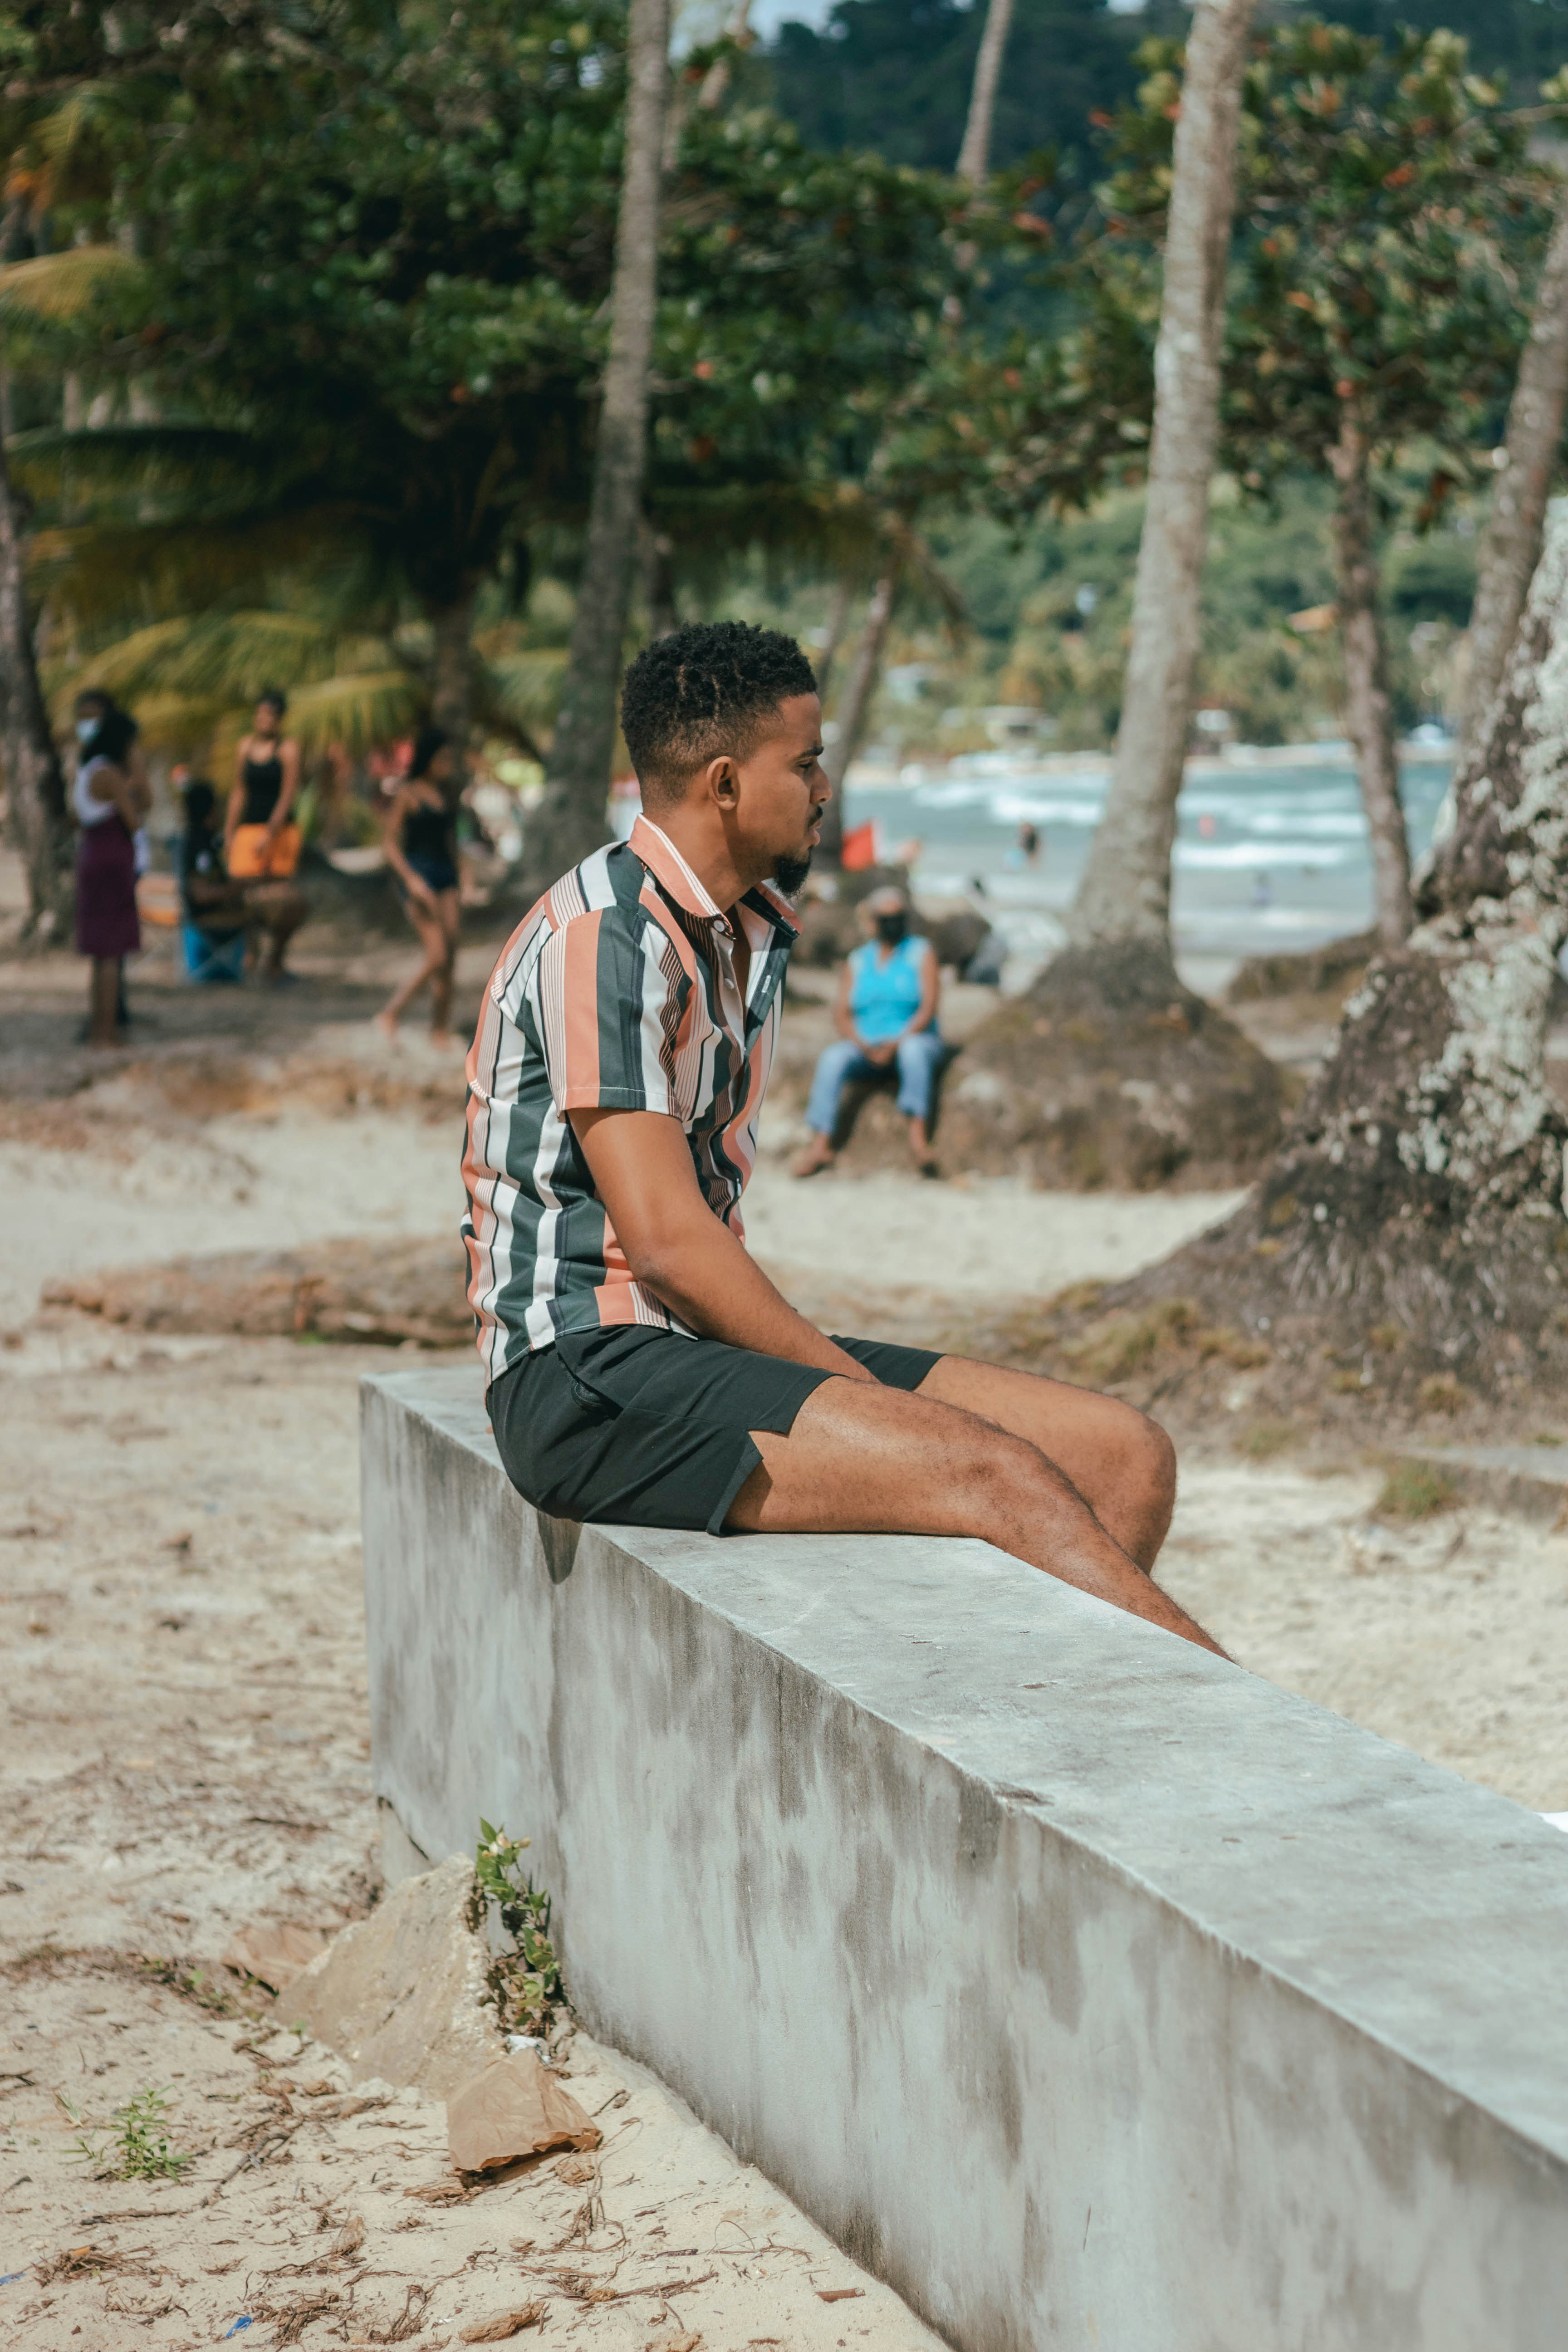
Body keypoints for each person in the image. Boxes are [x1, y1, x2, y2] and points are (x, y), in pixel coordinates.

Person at [461, 620, 1222, 1656]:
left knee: (1121, 1452)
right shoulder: (609, 933)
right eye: (806, 762)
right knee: (988, 1467)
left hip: (683, 1348)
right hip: (586, 1373)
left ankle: (1030, 1725)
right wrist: (868, 1403)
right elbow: (671, 1245)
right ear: (724, 782)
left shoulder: (736, 929)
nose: (825, 789)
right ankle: (1235, 1729)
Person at [792, 886, 944, 1179]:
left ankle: (918, 1138)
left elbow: (928, 1008)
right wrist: (862, 1044)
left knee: (914, 1051)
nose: (892, 923)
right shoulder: (859, 960)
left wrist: (897, 1043)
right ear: (873, 921)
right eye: (885, 917)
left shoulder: (921, 952)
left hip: (911, 1039)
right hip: (866, 1045)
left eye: (897, 916)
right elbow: (842, 1014)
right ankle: (820, 1143)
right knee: (833, 1058)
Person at [73, 691, 149, 1048]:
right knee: (111, 952)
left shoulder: (87, 769)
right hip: (112, 860)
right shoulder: (109, 773)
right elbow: (134, 819)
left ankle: (97, 1028)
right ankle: (107, 1031)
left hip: (92, 856)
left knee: (99, 950)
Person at [376, 725, 461, 1044]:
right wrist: (411, 880)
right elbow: (389, 844)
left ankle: (439, 1028)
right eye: (442, 759)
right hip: (419, 877)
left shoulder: (445, 795)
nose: (448, 764)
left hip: (446, 877)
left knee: (451, 957)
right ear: (428, 759)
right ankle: (392, 1012)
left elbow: (451, 841)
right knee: (437, 956)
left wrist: (465, 875)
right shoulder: (408, 793)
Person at [179, 778, 306, 980]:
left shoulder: (206, 841)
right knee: (291, 905)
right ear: (211, 810)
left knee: (281, 902)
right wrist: (238, 887)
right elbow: (202, 894)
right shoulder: (199, 845)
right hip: (212, 914)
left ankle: (256, 960)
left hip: (225, 907)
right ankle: (266, 963)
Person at [225, 689, 303, 925]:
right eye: (260, 713)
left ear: (279, 719)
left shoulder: (288, 749)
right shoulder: (245, 747)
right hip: (250, 828)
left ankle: (275, 955)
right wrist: (229, 832)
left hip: (280, 831)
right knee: (245, 893)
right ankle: (251, 953)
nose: (263, 719)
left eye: (269, 714)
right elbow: (239, 792)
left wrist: (270, 833)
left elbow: (288, 795)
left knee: (279, 896)